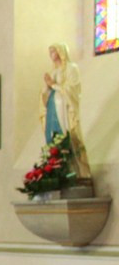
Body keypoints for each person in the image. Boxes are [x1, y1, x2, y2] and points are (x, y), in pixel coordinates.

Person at [40, 42, 91, 179]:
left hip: (64, 108)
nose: (51, 55)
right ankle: (56, 167)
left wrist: (54, 85)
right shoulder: (53, 72)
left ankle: (76, 171)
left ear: (61, 52)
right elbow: (45, 95)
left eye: (53, 51)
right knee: (53, 136)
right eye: (50, 52)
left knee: (67, 135)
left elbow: (72, 89)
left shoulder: (71, 68)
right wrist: (47, 86)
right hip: (53, 107)